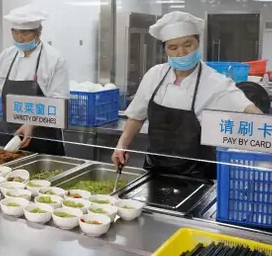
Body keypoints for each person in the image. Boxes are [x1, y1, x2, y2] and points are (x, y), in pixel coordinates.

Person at [112, 11, 261, 179]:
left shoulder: (215, 82)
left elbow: (248, 109)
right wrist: (121, 145)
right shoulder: (154, 75)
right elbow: (136, 117)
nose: (181, 52)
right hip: (155, 170)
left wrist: (271, 130)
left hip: (199, 175)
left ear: (198, 42)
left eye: (187, 44)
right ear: (165, 50)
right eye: (173, 47)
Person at [0, 5, 69, 155]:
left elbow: (59, 102)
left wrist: (31, 124)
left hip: (44, 142)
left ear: (39, 31)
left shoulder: (54, 59)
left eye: (25, 33)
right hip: (11, 137)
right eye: (14, 32)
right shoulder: (5, 57)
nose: (19, 38)